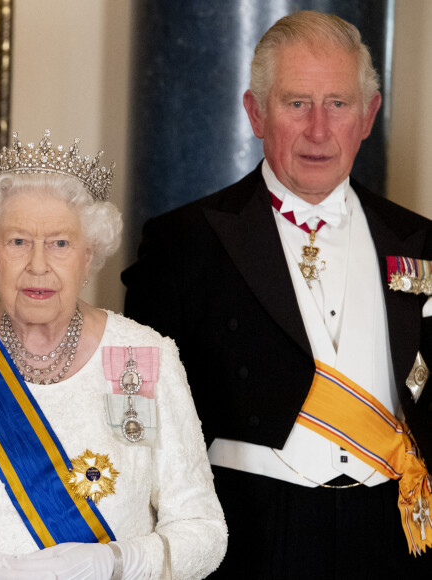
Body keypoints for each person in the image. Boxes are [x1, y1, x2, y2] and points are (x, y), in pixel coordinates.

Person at [122, 10, 432, 579]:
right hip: (250, 533)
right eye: (296, 103)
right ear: (255, 113)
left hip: (391, 537)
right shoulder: (184, 242)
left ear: (368, 116)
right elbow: (137, 414)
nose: (319, 129)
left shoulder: (419, 239)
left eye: (338, 104)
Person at [0, 131, 227, 579]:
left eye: (60, 243)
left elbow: (203, 531)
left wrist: (115, 564)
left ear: (89, 257)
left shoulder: (140, 357)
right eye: (17, 242)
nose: (38, 265)